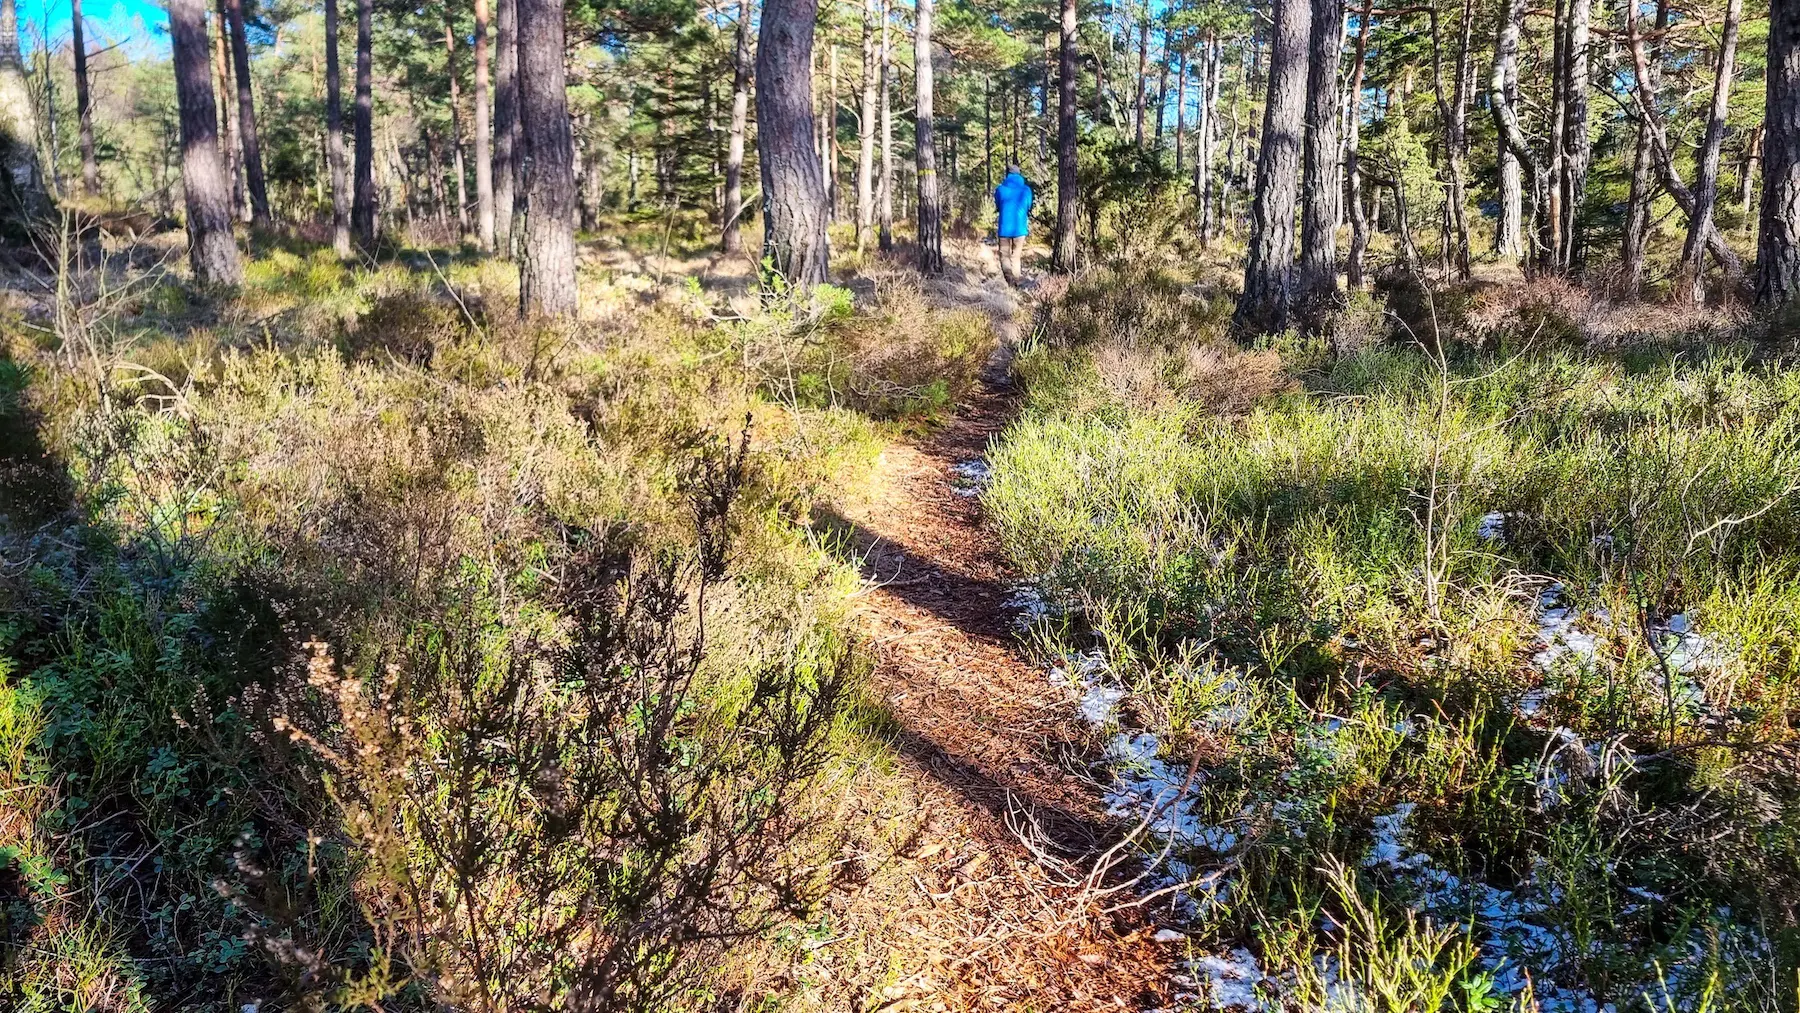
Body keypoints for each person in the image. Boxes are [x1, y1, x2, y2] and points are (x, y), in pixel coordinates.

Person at [993, 164, 1034, 286]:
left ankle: (1009, 280)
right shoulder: (1026, 190)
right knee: (1016, 256)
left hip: (1004, 227)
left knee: (1004, 255)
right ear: (1019, 174)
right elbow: (1029, 206)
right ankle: (1016, 281)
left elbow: (998, 206)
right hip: (1020, 228)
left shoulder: (1000, 189)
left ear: (1008, 175)